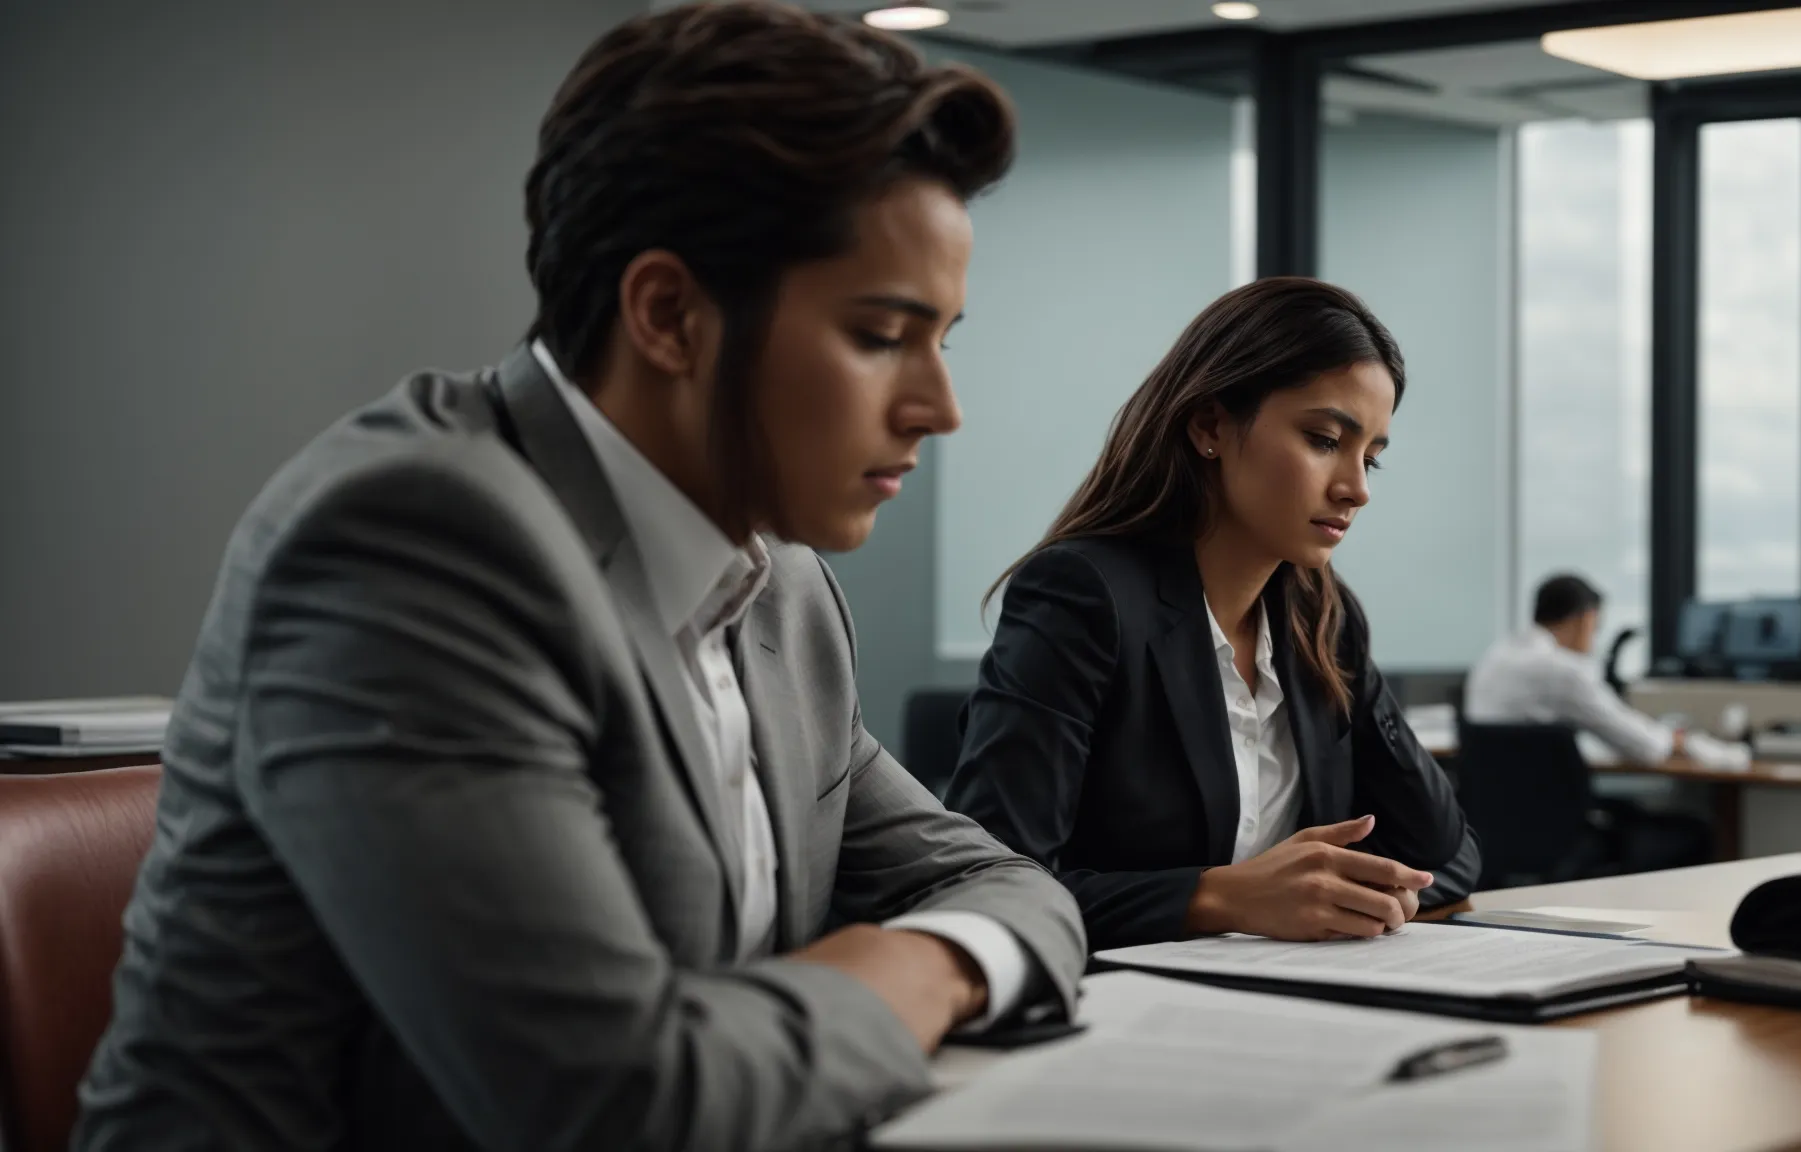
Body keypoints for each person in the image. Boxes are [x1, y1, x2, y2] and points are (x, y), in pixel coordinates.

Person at [73, 5, 1084, 1149]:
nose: (938, 409)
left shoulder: (777, 580)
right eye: (879, 334)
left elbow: (1016, 888)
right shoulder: (413, 544)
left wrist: (928, 956)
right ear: (667, 314)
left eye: (944, 336)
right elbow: (616, 1104)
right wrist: (904, 982)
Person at [946, 278, 1479, 953]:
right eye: (1323, 440)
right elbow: (988, 885)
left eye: (1371, 457)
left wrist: (1345, 895)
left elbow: (1448, 852)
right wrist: (1220, 897)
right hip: (1112, 1013)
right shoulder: (1082, 595)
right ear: (1209, 427)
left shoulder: (1323, 622)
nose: (1357, 489)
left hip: (1298, 1007)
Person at [1465, 573, 1747, 770]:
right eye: (1596, 627)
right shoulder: (1565, 671)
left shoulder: (1494, 657)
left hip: (1492, 821)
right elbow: (1644, 746)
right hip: (1553, 820)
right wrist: (1684, 741)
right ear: (1585, 620)